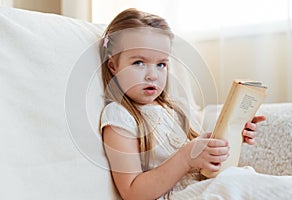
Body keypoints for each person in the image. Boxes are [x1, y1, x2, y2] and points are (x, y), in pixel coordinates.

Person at [99, 8, 291, 200]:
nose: (153, 75)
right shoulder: (119, 115)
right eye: (139, 62)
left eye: (161, 64)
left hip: (203, 186)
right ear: (113, 66)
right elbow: (132, 192)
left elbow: (199, 164)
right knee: (242, 184)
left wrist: (230, 135)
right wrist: (185, 158)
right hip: (179, 196)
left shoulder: (169, 110)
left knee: (257, 182)